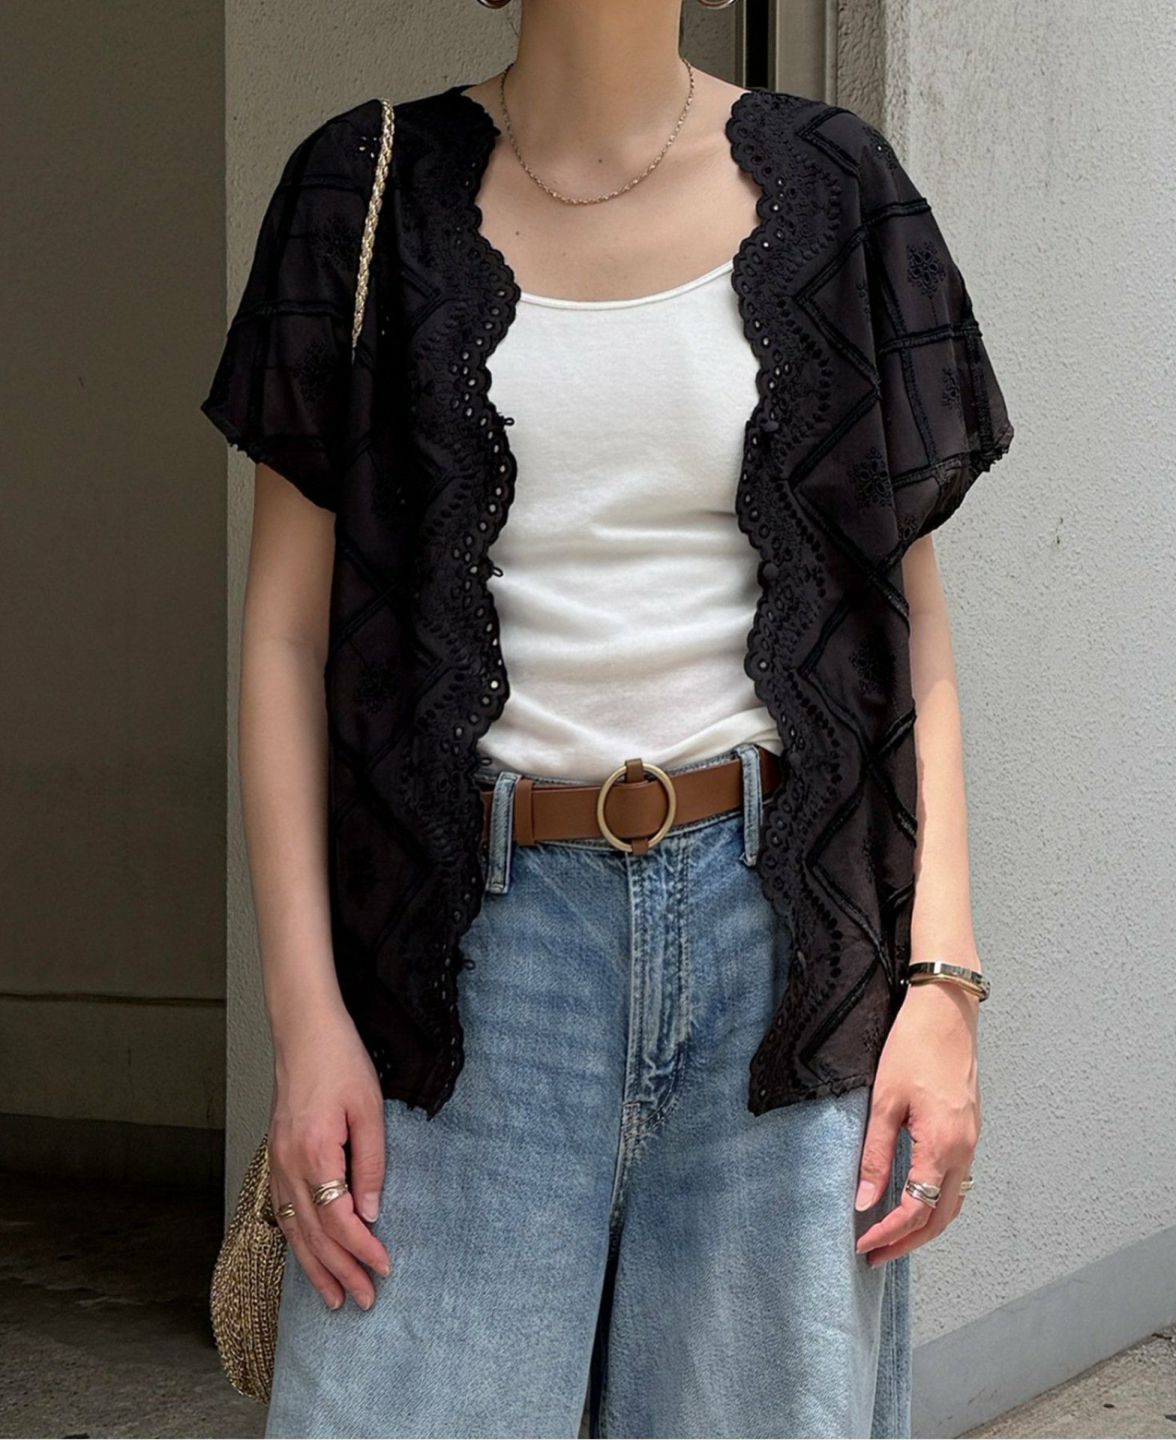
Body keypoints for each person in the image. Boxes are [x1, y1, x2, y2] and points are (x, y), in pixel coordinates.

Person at [200, 2, 1013, 1435]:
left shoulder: (841, 189)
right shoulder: (361, 188)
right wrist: (306, 1015)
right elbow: (283, 637)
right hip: (461, 969)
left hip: (784, 957)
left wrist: (941, 987)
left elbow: (914, 626)